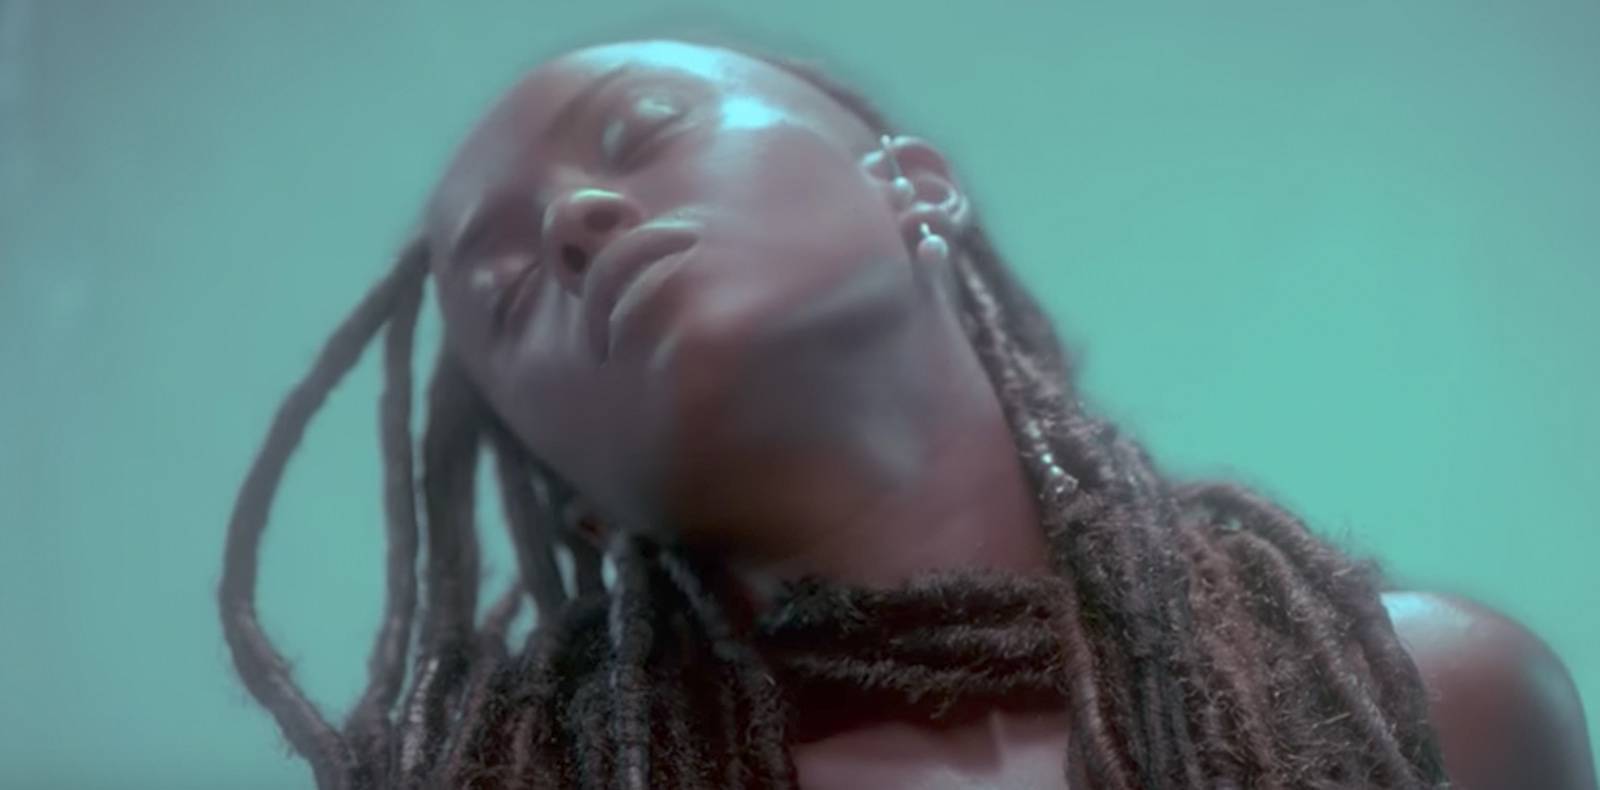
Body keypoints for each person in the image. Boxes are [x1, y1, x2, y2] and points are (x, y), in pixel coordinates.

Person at [219, 36, 1596, 789]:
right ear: (572, 493)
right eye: (508, 290)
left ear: (913, 185)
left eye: (640, 133)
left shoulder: (1437, 702)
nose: (577, 219)